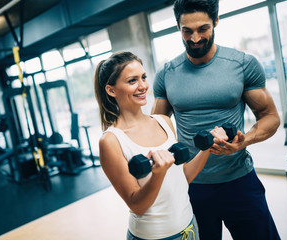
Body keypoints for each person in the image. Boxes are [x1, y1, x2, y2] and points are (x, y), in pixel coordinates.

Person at [151, 0, 281, 239]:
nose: (195, 38)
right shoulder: (167, 74)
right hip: (192, 186)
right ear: (178, 27)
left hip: (239, 180)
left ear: (216, 21)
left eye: (203, 29)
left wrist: (246, 140)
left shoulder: (242, 64)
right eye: (187, 31)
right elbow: (156, 127)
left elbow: (270, 117)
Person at [94, 51, 227, 240]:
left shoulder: (164, 121)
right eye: (132, 81)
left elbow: (183, 177)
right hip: (153, 236)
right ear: (111, 90)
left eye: (143, 78)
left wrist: (207, 148)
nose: (143, 86)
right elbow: (137, 205)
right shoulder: (111, 141)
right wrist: (158, 173)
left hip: (189, 227)